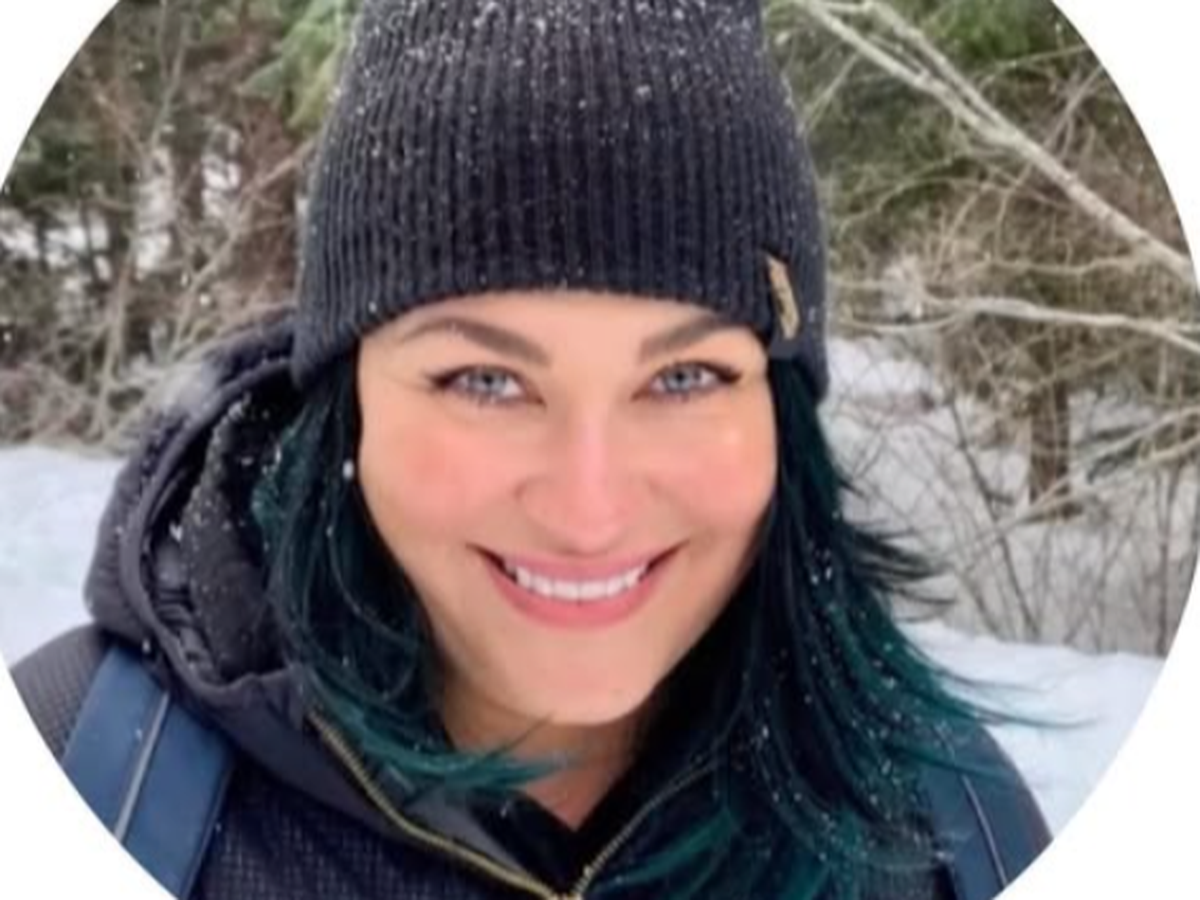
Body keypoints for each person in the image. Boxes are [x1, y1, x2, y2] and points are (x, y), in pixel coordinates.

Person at [11, 1, 1050, 898]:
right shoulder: (81, 777)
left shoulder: (952, 832)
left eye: (684, 378)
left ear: (780, 407)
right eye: (485, 381)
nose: (589, 512)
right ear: (348, 395)